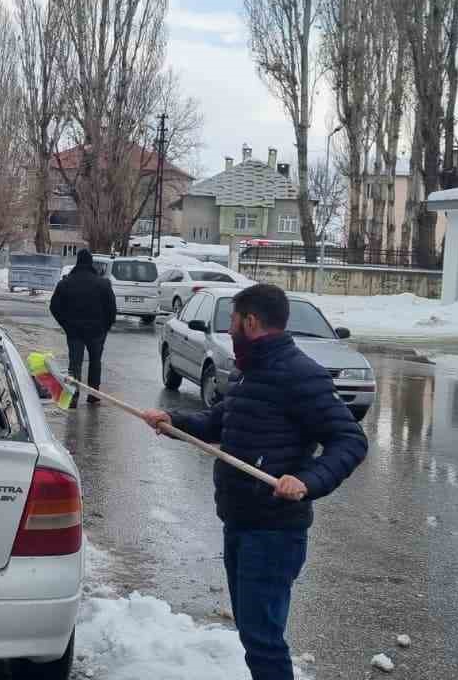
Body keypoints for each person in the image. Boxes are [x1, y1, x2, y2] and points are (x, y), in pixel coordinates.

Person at [140, 283, 367, 680]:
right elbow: (221, 420)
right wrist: (174, 422)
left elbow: (350, 440)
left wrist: (307, 481)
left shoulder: (299, 375)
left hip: (273, 531)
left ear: (250, 322)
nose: (229, 330)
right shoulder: (252, 372)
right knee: (252, 632)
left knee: (263, 640)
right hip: (241, 521)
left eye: (232, 321)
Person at [49, 249, 116, 405]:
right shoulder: (103, 284)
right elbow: (112, 309)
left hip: (74, 332)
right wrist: (105, 327)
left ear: (77, 261)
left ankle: (73, 396)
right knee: (95, 362)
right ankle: (93, 395)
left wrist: (65, 324)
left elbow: (54, 307)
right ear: (91, 263)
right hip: (97, 332)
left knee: (75, 364)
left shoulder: (66, 283)